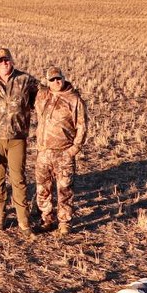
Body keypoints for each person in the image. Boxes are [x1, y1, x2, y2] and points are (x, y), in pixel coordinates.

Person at [0, 47, 39, 233]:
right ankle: (0, 215)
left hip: (17, 137)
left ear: (12, 60)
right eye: (0, 60)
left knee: (18, 179)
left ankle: (23, 220)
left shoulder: (25, 80)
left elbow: (44, 97)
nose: (4, 63)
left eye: (7, 59)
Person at [33, 65, 88, 235]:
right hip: (44, 153)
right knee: (43, 189)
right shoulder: (42, 95)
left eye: (59, 78)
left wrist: (74, 149)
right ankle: (46, 219)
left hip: (64, 152)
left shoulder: (74, 99)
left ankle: (64, 222)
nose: (57, 82)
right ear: (47, 82)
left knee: (64, 189)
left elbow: (82, 126)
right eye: (52, 80)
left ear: (63, 78)